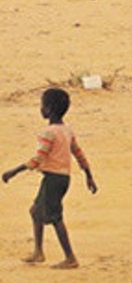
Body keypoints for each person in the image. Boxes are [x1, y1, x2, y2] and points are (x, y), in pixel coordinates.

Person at [3, 87, 97, 269]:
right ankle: (38, 252)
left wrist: (14, 171)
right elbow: (79, 154)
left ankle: (70, 258)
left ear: (50, 109)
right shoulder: (67, 130)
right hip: (62, 179)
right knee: (35, 211)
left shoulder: (49, 133)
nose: (41, 109)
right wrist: (89, 176)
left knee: (55, 217)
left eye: (43, 105)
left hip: (53, 180)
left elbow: (37, 159)